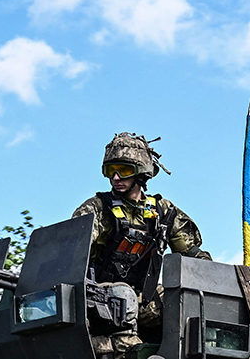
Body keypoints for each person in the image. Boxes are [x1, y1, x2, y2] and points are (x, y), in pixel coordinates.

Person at [72, 133, 208, 346]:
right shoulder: (97, 209)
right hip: (100, 299)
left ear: (141, 173)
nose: (115, 178)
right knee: (123, 297)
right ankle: (130, 355)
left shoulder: (163, 212)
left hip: (144, 298)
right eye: (110, 171)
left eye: (124, 170)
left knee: (185, 299)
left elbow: (193, 256)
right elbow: (71, 255)